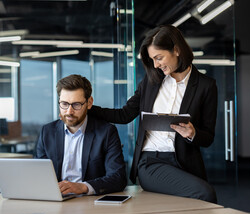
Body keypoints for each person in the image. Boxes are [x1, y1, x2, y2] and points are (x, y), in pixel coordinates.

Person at [89, 24, 218, 203]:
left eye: (159, 58)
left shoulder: (206, 86)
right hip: (152, 162)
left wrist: (193, 133)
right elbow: (124, 115)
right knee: (205, 194)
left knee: (196, 200)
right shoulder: (150, 82)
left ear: (177, 50)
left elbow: (208, 137)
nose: (156, 65)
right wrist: (85, 108)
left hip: (185, 163)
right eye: (152, 59)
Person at [36, 74, 127, 196]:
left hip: (90, 202)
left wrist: (83, 187)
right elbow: (39, 175)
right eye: (64, 104)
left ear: (89, 103)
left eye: (76, 105)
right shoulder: (47, 132)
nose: (69, 111)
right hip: (56, 201)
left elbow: (118, 178)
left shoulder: (106, 132)